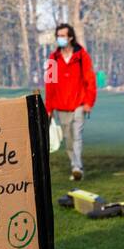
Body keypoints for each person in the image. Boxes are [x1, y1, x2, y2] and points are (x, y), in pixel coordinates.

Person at [44, 22, 97, 182]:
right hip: (61, 106)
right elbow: (49, 84)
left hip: (79, 104)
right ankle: (75, 164)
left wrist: (89, 102)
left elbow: (90, 80)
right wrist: (49, 108)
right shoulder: (52, 59)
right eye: (58, 36)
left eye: (63, 36)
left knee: (77, 136)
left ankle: (77, 167)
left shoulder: (82, 56)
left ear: (70, 37)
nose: (60, 39)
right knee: (68, 138)